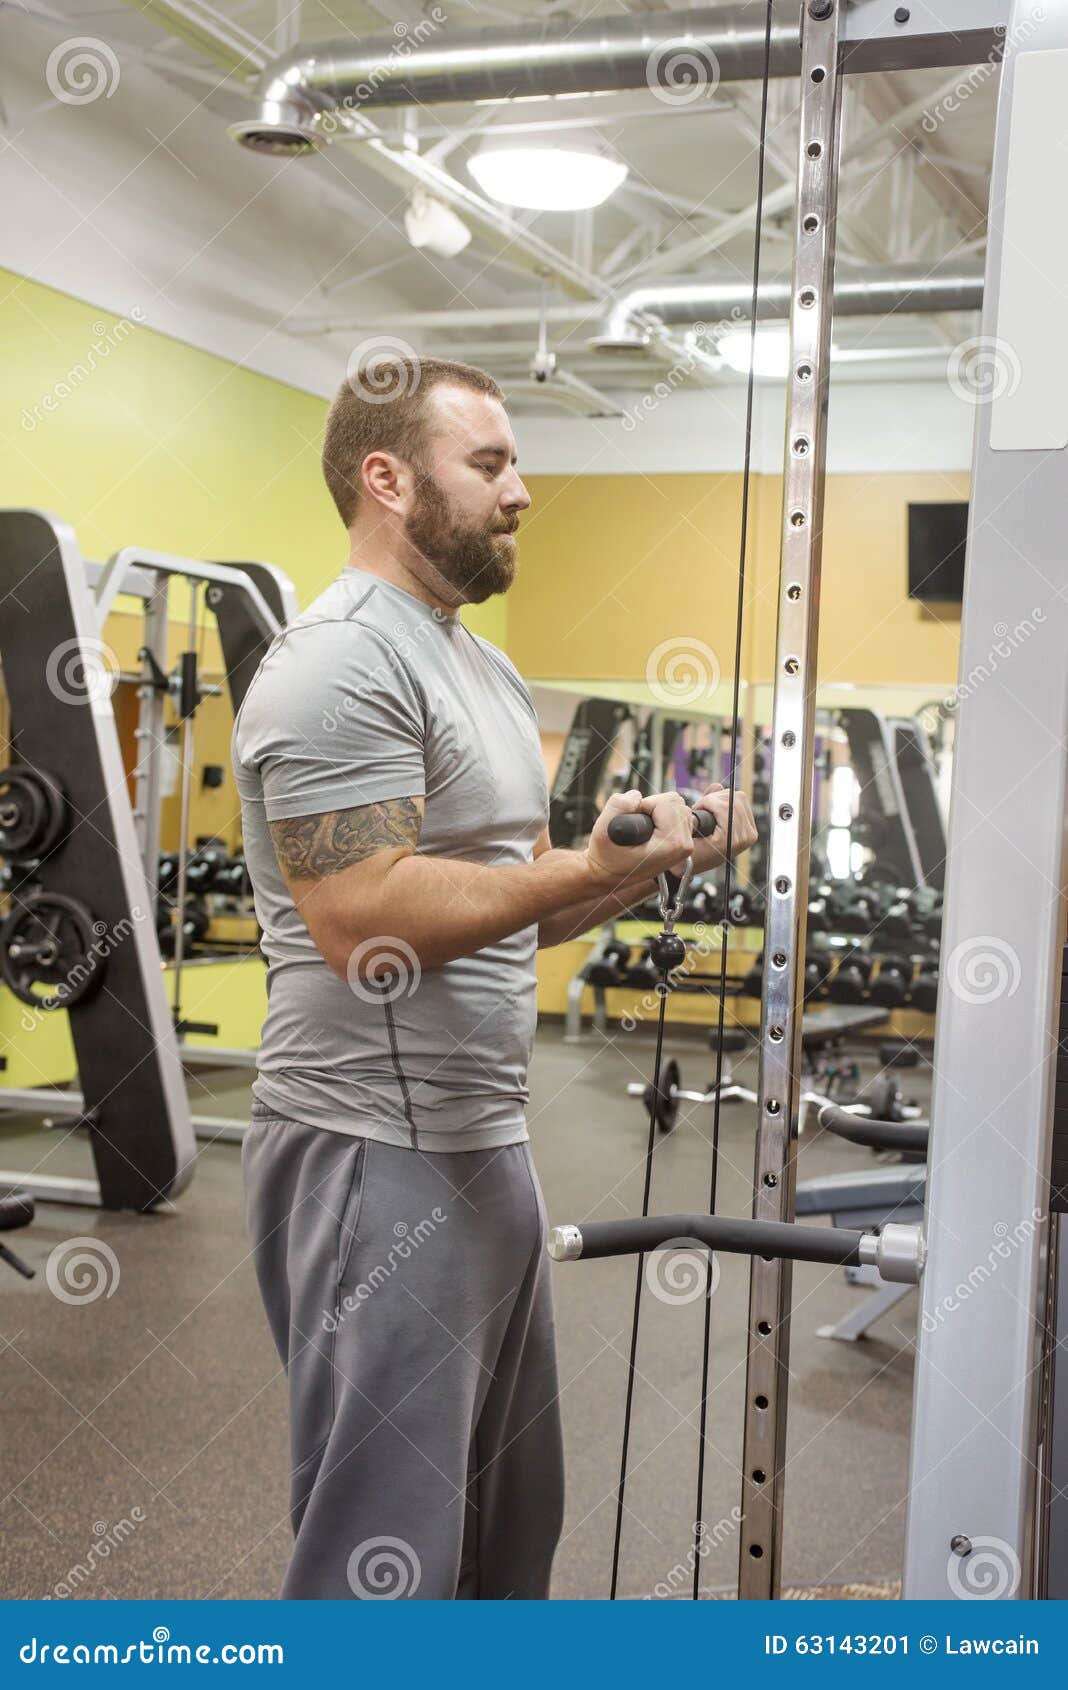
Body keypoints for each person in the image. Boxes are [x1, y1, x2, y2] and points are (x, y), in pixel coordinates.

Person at [233, 355, 758, 1600]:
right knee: (387, 1546)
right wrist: (578, 863)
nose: (521, 490)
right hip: (369, 1143)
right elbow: (366, 916)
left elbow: (512, 911)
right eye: (490, 464)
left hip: (485, 1143)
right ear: (388, 480)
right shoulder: (336, 662)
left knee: (508, 1531)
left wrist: (638, 863)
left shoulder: (482, 666)